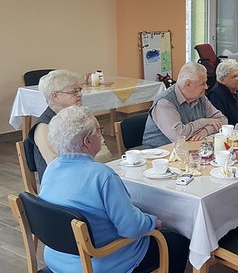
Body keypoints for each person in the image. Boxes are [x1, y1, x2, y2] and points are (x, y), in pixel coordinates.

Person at [39, 106, 190, 272]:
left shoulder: (52, 168)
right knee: (178, 243)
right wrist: (153, 221)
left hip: (57, 258)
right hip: (100, 262)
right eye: (99, 130)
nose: (101, 135)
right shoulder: (102, 175)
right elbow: (130, 228)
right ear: (87, 141)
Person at [33, 69, 112, 182]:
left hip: (91, 175)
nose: (80, 94)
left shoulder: (85, 117)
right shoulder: (43, 127)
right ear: (55, 96)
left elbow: (105, 154)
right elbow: (58, 166)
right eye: (74, 92)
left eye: (79, 90)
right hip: (62, 184)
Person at [143, 62, 227, 148]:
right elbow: (178, 136)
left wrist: (205, 131)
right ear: (188, 84)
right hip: (159, 155)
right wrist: (205, 121)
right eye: (202, 84)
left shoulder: (200, 97)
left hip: (188, 149)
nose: (206, 87)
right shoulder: (165, 103)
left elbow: (223, 120)